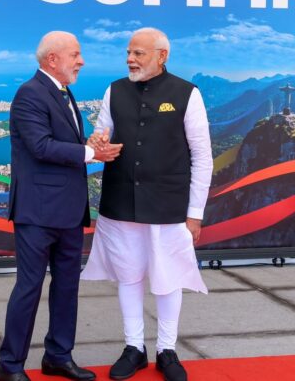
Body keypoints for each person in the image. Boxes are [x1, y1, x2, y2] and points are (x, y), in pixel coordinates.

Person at [81, 28, 213, 381]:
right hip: (120, 201)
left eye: (138, 53)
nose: (130, 59)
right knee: (128, 275)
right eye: (128, 52)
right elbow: (101, 132)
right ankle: (134, 348)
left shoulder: (187, 93)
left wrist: (195, 213)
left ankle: (166, 350)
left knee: (169, 278)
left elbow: (202, 156)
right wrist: (98, 140)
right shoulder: (115, 90)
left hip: (169, 205)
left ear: (161, 56)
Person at [0, 31, 122, 381]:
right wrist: (90, 153)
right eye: (76, 55)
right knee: (29, 288)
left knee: (67, 287)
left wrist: (89, 144)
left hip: (68, 211)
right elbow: (40, 146)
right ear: (53, 59)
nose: (81, 61)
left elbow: (63, 144)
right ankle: (9, 366)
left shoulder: (64, 92)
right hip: (37, 213)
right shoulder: (29, 94)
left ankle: (58, 356)